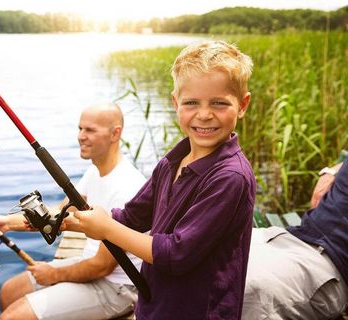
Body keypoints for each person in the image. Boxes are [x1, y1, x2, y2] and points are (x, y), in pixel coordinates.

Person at [73, 40, 256, 320]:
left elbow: (175, 254)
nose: (204, 114)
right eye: (191, 102)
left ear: (242, 105)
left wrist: (107, 229)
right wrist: (73, 220)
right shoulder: (171, 161)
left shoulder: (230, 177)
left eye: (219, 103)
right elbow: (132, 216)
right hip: (154, 305)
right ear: (175, 103)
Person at [0, 102, 147, 320]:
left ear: (115, 133)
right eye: (80, 129)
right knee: (10, 291)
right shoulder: (95, 172)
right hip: (90, 266)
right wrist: (7, 223)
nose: (81, 136)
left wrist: (54, 274)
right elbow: (56, 217)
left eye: (90, 130)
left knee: (11, 318)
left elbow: (102, 266)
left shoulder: (126, 187)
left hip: (118, 288)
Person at [243, 159, 348, 319]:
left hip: (327, 265)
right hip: (292, 238)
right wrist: (332, 170)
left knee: (241, 289)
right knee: (204, 256)